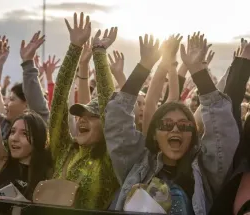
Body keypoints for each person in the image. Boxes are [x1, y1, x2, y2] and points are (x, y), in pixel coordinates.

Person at [105, 33, 239, 215]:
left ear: (193, 135)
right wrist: (144, 66)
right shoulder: (135, 165)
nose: (175, 129)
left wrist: (199, 72)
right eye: (167, 125)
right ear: (154, 134)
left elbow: (222, 132)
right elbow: (116, 119)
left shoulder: (205, 172)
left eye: (184, 126)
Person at [48, 12, 119, 210]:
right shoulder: (64, 150)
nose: (81, 120)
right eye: (80, 116)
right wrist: (75, 48)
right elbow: (59, 103)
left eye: (92, 116)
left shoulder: (109, 159)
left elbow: (108, 105)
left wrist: (99, 53)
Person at [0, 39, 51, 214]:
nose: (14, 138)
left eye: (24, 133)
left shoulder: (47, 175)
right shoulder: (2, 161)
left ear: (38, 139)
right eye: (13, 131)